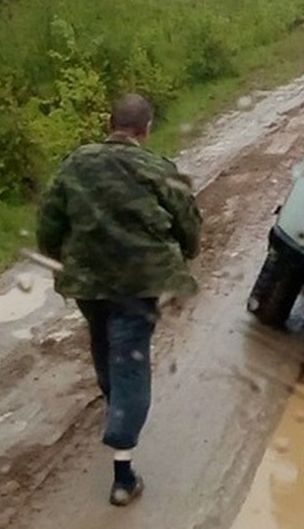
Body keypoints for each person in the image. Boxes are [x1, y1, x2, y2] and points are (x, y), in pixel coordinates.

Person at [36, 92, 202, 507]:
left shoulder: (76, 163)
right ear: (146, 129)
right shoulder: (156, 167)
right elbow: (187, 221)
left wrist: (62, 258)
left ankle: (115, 408)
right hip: (138, 283)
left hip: (89, 284)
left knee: (102, 343)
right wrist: (187, 251)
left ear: (109, 124)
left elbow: (49, 221)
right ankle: (123, 473)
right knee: (130, 360)